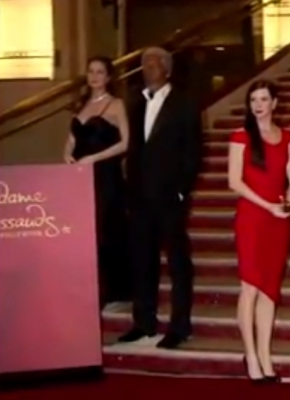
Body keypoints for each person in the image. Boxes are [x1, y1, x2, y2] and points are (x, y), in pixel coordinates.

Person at [117, 47, 202, 349]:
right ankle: (143, 322)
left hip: (170, 197)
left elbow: (193, 151)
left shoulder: (185, 103)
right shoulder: (135, 103)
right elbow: (132, 149)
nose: (148, 69)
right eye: (144, 65)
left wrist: (181, 190)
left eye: (153, 64)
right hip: (140, 197)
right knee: (142, 260)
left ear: (167, 69)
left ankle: (180, 326)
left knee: (178, 262)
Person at [228, 80, 290, 382]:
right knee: (251, 287)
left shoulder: (286, 137)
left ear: (274, 103)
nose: (258, 105)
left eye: (263, 99)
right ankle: (251, 357)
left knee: (270, 289)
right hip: (252, 218)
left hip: (277, 220)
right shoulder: (241, 136)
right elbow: (234, 181)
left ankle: (266, 357)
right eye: (253, 100)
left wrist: (288, 200)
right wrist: (267, 205)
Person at [63, 56, 131, 306]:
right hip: (80, 177)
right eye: (91, 71)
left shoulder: (116, 104)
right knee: (84, 230)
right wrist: (66, 155)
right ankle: (89, 287)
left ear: (109, 77)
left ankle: (113, 290)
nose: (94, 76)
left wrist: (94, 158)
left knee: (105, 230)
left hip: (105, 175)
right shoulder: (81, 105)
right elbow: (71, 140)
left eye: (100, 72)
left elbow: (125, 143)